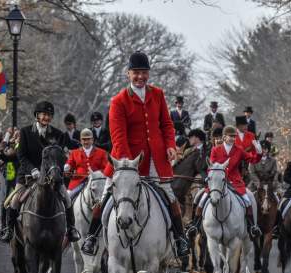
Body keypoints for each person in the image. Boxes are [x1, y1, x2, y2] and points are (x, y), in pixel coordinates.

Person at [81, 51, 189, 257]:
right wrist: (129, 165)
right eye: (136, 73)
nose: (140, 77)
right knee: (104, 197)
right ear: (128, 74)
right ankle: (92, 237)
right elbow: (118, 137)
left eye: (144, 72)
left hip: (156, 161)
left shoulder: (157, 94)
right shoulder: (118, 101)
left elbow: (166, 124)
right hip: (125, 161)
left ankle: (180, 239)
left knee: (170, 196)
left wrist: (170, 145)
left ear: (148, 73)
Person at [0, 101, 80, 244]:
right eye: (43, 114)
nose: (46, 118)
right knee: (13, 201)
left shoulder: (57, 134)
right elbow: (21, 156)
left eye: (49, 115)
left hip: (51, 177)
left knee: (67, 198)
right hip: (28, 176)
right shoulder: (25, 132)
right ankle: (9, 229)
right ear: (37, 115)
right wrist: (33, 169)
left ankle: (72, 229)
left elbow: (65, 151)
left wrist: (66, 164)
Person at [188, 126, 262, 240]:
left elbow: (253, 160)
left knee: (247, 201)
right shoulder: (215, 150)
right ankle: (195, 225)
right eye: (231, 136)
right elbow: (210, 167)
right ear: (224, 137)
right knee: (201, 200)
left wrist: (258, 152)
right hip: (217, 182)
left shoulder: (239, 149)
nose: (233, 138)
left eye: (234, 136)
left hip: (234, 181)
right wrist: (210, 177)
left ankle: (252, 227)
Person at [65, 128, 109, 201]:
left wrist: (96, 174)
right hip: (77, 183)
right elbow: (69, 165)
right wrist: (67, 167)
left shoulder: (102, 153)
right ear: (80, 140)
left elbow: (105, 169)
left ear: (92, 140)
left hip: (96, 183)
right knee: (67, 199)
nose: (86, 142)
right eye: (84, 139)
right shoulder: (74, 153)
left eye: (88, 139)